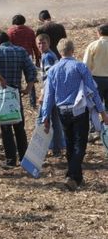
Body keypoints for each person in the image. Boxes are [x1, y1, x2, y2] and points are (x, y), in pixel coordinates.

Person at [41, 40, 108, 191]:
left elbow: (48, 96)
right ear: (73, 50)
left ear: (59, 52)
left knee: (70, 143)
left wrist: (45, 117)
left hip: (62, 110)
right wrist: (102, 112)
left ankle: (77, 177)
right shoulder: (80, 67)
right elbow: (93, 91)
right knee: (80, 144)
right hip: (79, 109)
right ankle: (71, 175)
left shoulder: (53, 70)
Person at [0, 31, 37, 168]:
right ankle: (24, 158)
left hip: (2, 95)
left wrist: (0, 78)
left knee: (6, 126)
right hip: (15, 93)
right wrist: (28, 88)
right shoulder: (20, 51)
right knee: (19, 127)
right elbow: (32, 70)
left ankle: (10, 160)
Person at [83, 23, 108, 116]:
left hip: (96, 79)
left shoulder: (93, 45)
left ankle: (96, 127)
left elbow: (85, 65)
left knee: (95, 105)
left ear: (99, 33)